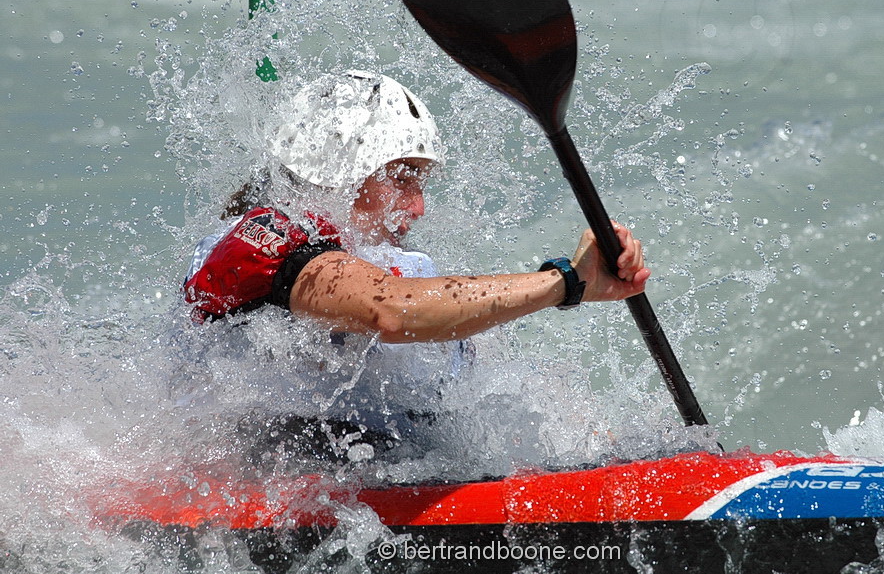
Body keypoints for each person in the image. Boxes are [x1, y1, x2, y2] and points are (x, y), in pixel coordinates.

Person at [181, 70, 650, 467]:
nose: (419, 207)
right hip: (265, 471)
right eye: (404, 179)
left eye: (421, 182)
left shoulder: (397, 265)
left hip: (382, 464)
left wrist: (603, 451)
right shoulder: (263, 244)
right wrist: (566, 281)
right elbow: (390, 311)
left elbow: (499, 383)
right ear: (336, 171)